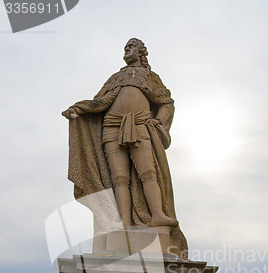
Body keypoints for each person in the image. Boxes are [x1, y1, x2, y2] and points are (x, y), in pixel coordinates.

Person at [62, 38, 185, 241]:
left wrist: (158, 122)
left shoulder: (150, 76)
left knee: (148, 173)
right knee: (119, 179)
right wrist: (79, 110)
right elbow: (99, 102)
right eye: (125, 47)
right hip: (112, 127)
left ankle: (157, 215)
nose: (127, 49)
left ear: (141, 51)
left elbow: (166, 103)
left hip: (140, 125)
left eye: (131, 46)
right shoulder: (115, 78)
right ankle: (124, 223)